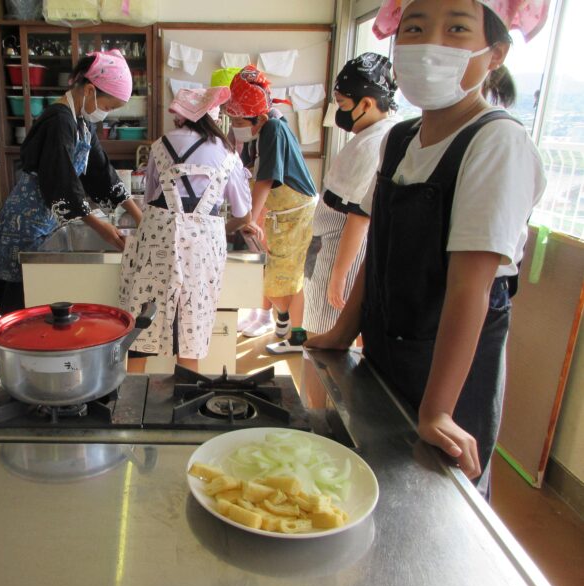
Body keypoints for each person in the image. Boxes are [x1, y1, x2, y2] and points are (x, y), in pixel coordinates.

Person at [307, 0, 548, 496]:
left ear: (495, 52)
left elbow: (470, 289)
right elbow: (381, 250)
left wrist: (437, 408)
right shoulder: (400, 139)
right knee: (374, 488)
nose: (429, 42)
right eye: (414, 27)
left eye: (456, 28)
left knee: (432, 504)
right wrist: (342, 330)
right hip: (388, 353)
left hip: (451, 374)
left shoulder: (495, 143)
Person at [0, 50, 143, 314]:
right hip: (26, 222)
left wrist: (139, 217)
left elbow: (101, 172)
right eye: (109, 107)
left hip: (46, 218)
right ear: (90, 90)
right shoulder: (59, 120)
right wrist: (100, 227)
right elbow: (60, 180)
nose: (106, 114)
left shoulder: (82, 122)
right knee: (22, 300)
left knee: (37, 295)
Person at [119, 87, 252, 372]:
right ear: (213, 118)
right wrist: (217, 225)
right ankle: (185, 402)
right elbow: (242, 214)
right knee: (192, 321)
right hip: (203, 248)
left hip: (158, 239)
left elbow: (150, 199)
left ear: (181, 116)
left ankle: (131, 403)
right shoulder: (228, 154)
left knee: (144, 320)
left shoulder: (159, 145)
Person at [275, 53, 398, 353]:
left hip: (338, 252)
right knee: (319, 338)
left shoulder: (375, 143)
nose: (338, 113)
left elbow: (359, 217)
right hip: (326, 246)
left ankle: (318, 402)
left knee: (325, 345)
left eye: (343, 105)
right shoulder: (370, 135)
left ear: (367, 104)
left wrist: (339, 276)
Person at [224, 66, 319, 349]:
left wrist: (250, 219)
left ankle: (296, 336)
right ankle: (283, 326)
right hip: (282, 212)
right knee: (276, 273)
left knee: (285, 277)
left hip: (295, 213)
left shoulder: (273, 128)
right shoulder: (264, 129)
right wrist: (255, 219)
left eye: (239, 120)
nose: (236, 125)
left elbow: (266, 179)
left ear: (260, 117)